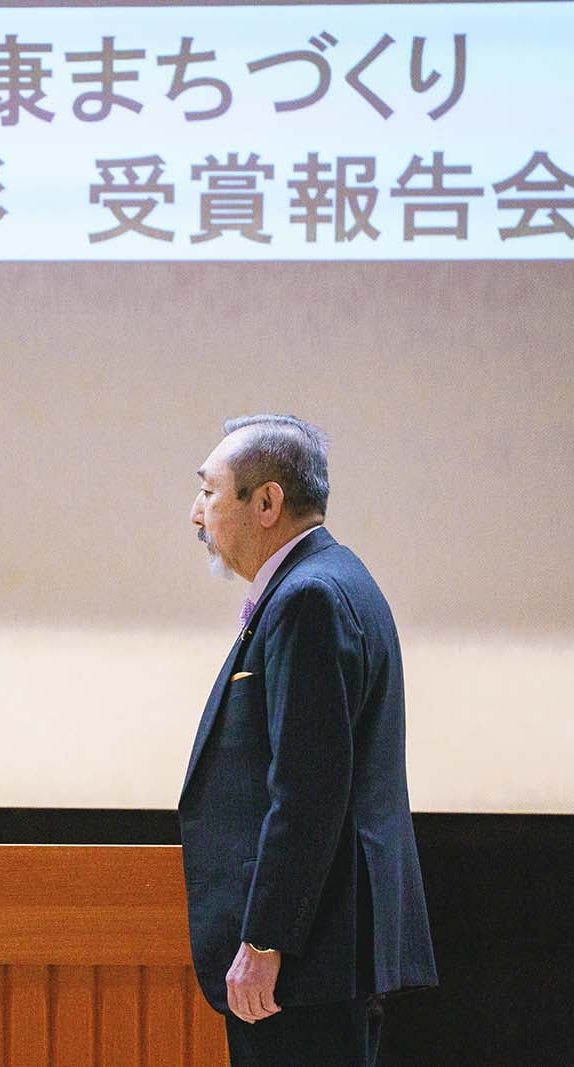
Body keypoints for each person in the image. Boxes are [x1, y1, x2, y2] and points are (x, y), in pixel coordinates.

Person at [180, 416, 437, 1066]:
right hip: (322, 955)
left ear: (266, 502)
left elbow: (308, 790)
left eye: (209, 492)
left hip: (305, 963)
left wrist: (265, 941)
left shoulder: (309, 598)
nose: (196, 514)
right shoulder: (331, 578)